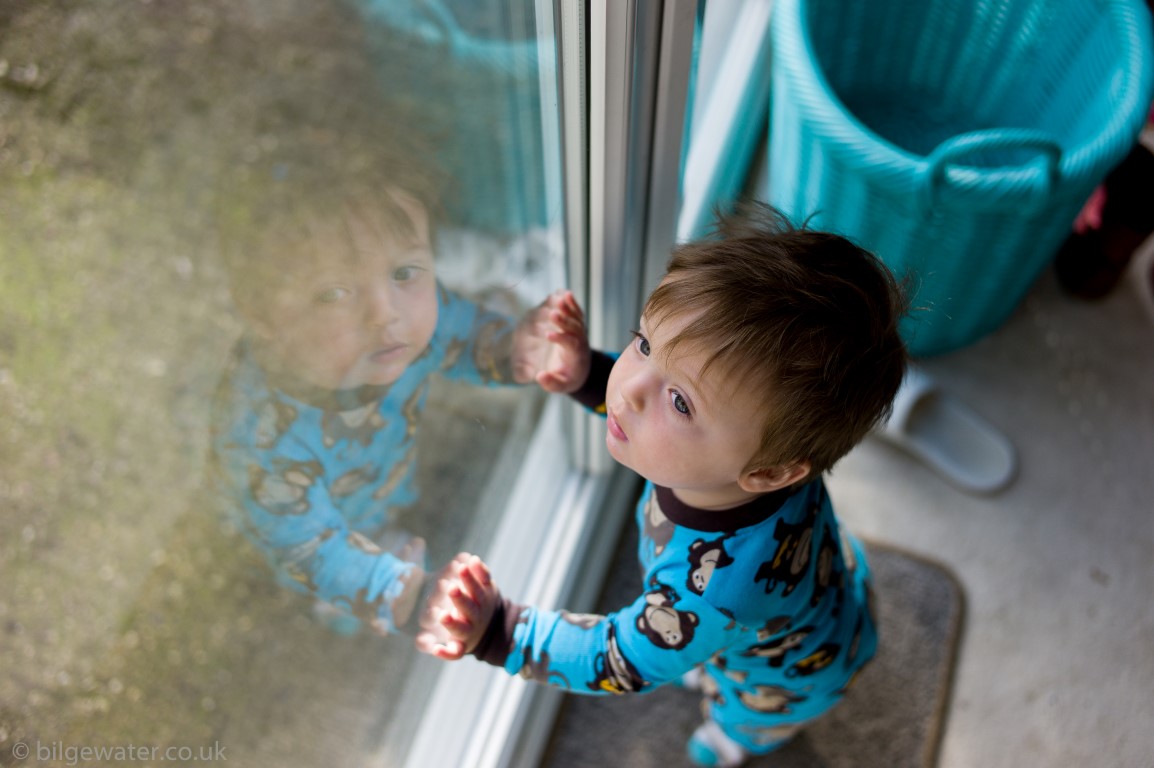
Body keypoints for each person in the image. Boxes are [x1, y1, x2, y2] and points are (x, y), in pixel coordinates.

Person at [416, 203, 909, 767]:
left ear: (771, 473)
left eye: (679, 401)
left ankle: (738, 742)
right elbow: (636, 407)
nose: (627, 390)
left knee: (749, 711)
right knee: (714, 635)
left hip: (789, 680)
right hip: (823, 592)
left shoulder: (717, 591)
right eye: (644, 343)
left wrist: (499, 632)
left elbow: (616, 659)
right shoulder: (760, 461)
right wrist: (585, 377)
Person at [208, 124, 580, 638]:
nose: (386, 314)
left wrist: (507, 349)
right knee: (334, 577)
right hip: (316, 527)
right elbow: (307, 545)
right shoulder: (263, 444)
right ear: (263, 317)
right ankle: (342, 609)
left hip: (375, 477)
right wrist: (397, 593)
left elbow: (458, 333)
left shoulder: (396, 328)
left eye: (404, 272)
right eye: (335, 293)